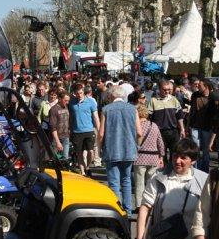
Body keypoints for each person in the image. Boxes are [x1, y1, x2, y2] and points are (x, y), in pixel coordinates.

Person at [98, 86, 142, 214]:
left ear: (111, 96)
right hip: (129, 149)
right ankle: (128, 210)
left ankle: (117, 211)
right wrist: (137, 147)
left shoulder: (106, 109)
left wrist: (100, 149)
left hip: (111, 149)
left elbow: (101, 134)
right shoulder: (133, 109)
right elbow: (139, 133)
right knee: (126, 180)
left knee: (114, 183)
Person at [133, 104, 165, 209]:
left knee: (139, 184)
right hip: (153, 158)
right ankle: (151, 204)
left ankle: (139, 205)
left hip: (139, 158)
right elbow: (160, 142)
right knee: (152, 184)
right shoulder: (154, 125)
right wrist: (161, 156)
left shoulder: (135, 126)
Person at [148, 79, 186, 165]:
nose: (167, 92)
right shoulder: (153, 101)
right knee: (162, 155)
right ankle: (163, 174)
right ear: (159, 89)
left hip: (174, 131)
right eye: (164, 89)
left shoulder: (174, 99)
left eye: (169, 89)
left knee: (175, 154)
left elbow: (179, 116)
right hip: (159, 133)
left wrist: (182, 129)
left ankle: (172, 172)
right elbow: (148, 118)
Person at [69, 83, 100, 176]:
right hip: (76, 131)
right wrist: (70, 129)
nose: (79, 95)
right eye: (77, 93)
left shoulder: (90, 102)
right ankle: (83, 172)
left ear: (83, 91)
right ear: (74, 93)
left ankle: (87, 167)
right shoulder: (71, 102)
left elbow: (96, 117)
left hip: (89, 130)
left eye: (81, 93)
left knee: (91, 152)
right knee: (79, 153)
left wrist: (99, 130)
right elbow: (70, 117)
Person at [189, 79, 215, 172]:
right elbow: (192, 111)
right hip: (195, 126)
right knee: (195, 149)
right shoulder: (195, 95)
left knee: (205, 151)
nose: (197, 87)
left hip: (207, 128)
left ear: (206, 87)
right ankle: (195, 171)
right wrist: (189, 125)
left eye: (199, 85)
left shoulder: (213, 97)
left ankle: (205, 171)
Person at [49, 91, 70, 159]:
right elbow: (53, 127)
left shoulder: (66, 107)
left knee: (65, 158)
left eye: (68, 101)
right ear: (60, 99)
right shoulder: (53, 109)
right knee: (55, 160)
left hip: (66, 137)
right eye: (65, 100)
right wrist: (58, 142)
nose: (67, 102)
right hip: (56, 139)